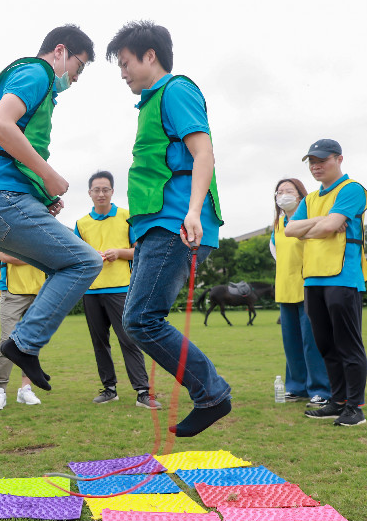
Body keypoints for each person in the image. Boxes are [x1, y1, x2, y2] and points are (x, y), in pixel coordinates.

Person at [0, 25, 104, 391]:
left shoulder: (39, 85)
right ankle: (23, 345)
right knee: (87, 261)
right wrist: (50, 177)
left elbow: (9, 145)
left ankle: (24, 344)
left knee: (66, 266)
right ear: (59, 51)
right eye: (79, 67)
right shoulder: (36, 72)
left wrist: (40, 195)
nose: (76, 78)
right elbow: (1, 125)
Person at [106, 21, 231, 437]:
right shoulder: (151, 104)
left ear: (150, 56)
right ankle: (210, 392)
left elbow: (203, 152)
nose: (122, 72)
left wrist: (193, 211)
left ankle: (211, 393)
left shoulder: (177, 91)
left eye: (124, 63)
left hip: (176, 221)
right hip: (152, 226)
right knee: (138, 318)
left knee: (141, 318)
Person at [285, 139, 367, 427]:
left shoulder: (351, 189)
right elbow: (290, 230)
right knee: (325, 345)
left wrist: (316, 226)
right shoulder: (310, 199)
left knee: (348, 345)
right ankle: (338, 401)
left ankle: (355, 408)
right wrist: (320, 222)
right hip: (313, 278)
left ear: (339, 159)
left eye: (322, 160)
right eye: (311, 161)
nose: (315, 166)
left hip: (343, 277)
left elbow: (330, 228)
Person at [75, 171, 161, 410]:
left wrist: (120, 253)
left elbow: (141, 251)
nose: (101, 193)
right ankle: (109, 389)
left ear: (112, 191)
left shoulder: (126, 217)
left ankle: (143, 392)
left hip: (122, 288)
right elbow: (75, 257)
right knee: (99, 342)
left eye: (105, 189)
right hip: (90, 291)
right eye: (96, 190)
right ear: (90, 193)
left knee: (129, 339)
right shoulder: (81, 224)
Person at [270, 178, 331, 408]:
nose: (282, 194)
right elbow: (277, 256)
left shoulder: (309, 221)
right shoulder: (277, 225)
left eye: (288, 190)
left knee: (312, 342)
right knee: (291, 343)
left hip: (308, 288)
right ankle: (296, 387)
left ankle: (321, 389)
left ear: (300, 195)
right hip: (285, 289)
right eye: (279, 191)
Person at [0, 252, 45, 411]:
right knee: (7, 341)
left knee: (31, 342)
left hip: (38, 290)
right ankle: (0, 390)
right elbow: (4, 256)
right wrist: (35, 258)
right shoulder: (6, 228)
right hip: (12, 291)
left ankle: (25, 389)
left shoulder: (42, 228)